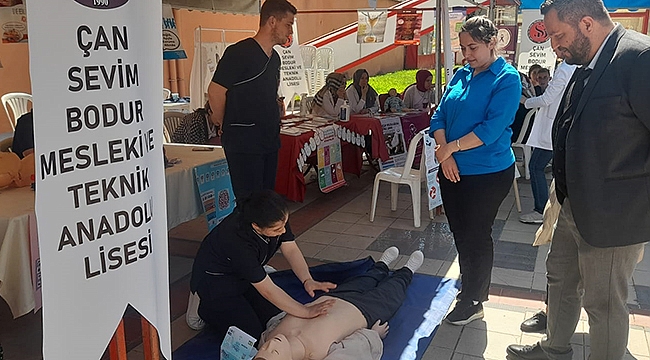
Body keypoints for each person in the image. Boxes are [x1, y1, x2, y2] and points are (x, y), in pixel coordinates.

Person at [506, 0, 650, 359]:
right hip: (571, 205)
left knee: (603, 305)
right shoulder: (585, 63)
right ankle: (554, 348)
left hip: (613, 217)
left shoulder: (638, 59)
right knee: (560, 281)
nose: (554, 46)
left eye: (558, 36)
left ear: (587, 23)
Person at [429, 16, 521, 326]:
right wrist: (445, 155)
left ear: (492, 43)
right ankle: (468, 284)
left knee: (476, 235)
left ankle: (474, 298)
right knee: (460, 233)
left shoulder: (506, 78)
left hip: (487, 173)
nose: (467, 55)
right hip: (452, 169)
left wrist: (450, 149)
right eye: (463, 48)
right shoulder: (461, 75)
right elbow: (439, 116)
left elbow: (491, 129)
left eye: (473, 48)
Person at [190, 190, 337, 345]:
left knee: (275, 319)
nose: (283, 231)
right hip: (216, 282)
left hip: (245, 277)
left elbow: (290, 248)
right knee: (249, 336)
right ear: (256, 227)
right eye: (277, 230)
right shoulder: (236, 240)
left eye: (284, 224)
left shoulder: (276, 215)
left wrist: (307, 279)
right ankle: (201, 304)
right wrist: (306, 311)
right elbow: (267, 290)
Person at [254, 247, 425, 360]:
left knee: (364, 279)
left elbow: (278, 318)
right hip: (366, 312)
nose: (272, 343)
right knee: (393, 291)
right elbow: (355, 350)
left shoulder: (267, 336)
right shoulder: (318, 354)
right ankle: (407, 270)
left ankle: (382, 264)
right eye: (274, 351)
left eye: (264, 349)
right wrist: (372, 335)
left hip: (333, 299)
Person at [207, 0, 296, 200]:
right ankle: (246, 232)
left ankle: (266, 232)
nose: (290, 31)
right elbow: (215, 91)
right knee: (249, 202)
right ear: (272, 21)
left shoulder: (275, 59)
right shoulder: (238, 53)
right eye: (288, 24)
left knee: (267, 201)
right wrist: (222, 121)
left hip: (269, 139)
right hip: (244, 141)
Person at [518, 61, 576, 225]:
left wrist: (525, 101)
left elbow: (546, 99)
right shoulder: (574, 68)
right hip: (557, 127)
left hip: (551, 130)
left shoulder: (565, 69)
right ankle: (551, 208)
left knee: (535, 167)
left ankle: (540, 209)